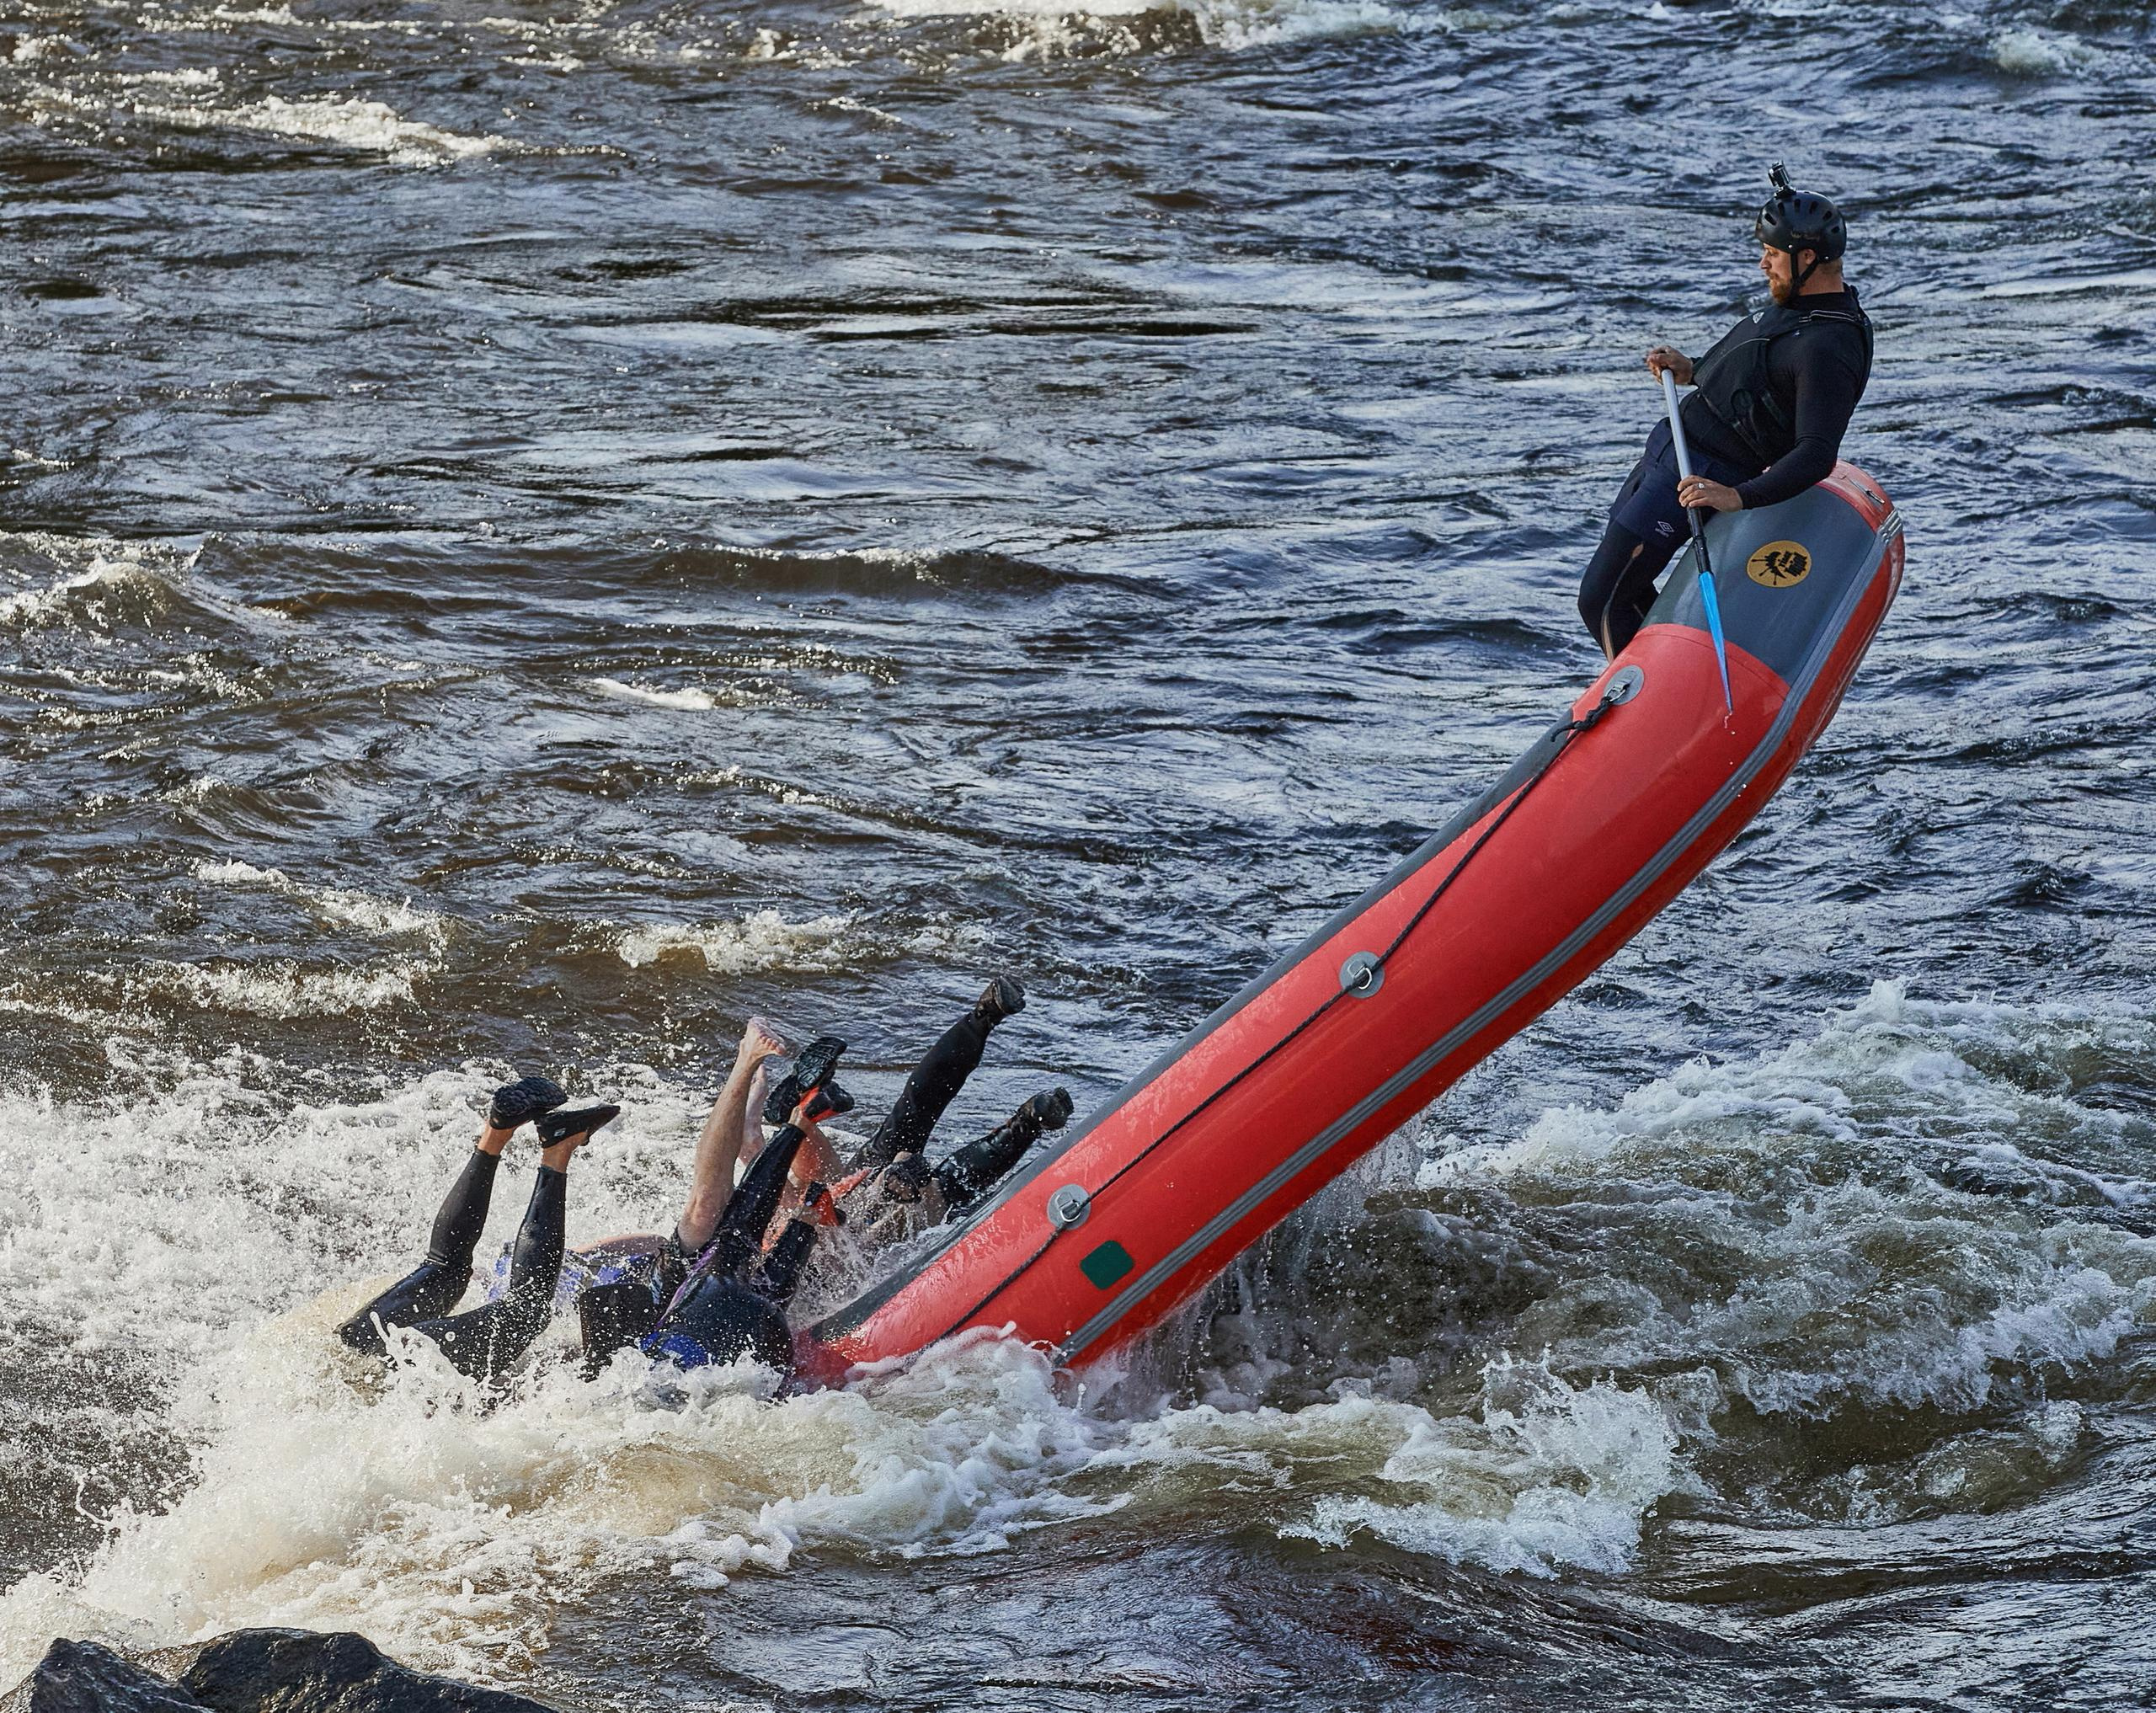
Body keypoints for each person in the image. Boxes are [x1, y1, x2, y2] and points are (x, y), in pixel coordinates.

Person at [1577, 164, 1876, 659]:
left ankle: (1643, 699)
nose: (1763, 264)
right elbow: (1764, 372)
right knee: (1624, 591)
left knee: (1602, 599)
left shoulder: (1829, 346)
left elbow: (1816, 453)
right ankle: (1665, 672)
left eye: (1772, 253)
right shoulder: (1799, 303)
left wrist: (1737, 497)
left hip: (1703, 475)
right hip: (1671, 453)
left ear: (1806, 257)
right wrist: (1695, 370)